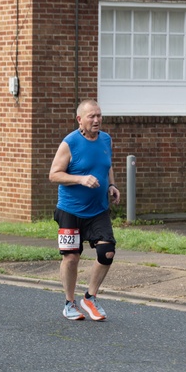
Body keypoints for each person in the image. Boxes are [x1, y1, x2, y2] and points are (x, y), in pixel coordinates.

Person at [48, 99, 121, 321]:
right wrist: (80, 179)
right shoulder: (69, 143)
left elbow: (106, 165)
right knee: (71, 258)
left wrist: (111, 185)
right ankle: (69, 303)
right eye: (92, 116)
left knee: (107, 252)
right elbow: (54, 174)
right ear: (80, 119)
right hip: (71, 210)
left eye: (99, 115)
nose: (97, 120)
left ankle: (90, 297)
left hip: (98, 209)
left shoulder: (106, 139)